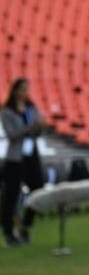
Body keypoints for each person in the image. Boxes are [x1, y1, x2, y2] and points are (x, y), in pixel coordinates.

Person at [1, 78, 46, 246]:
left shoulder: (31, 108)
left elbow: (37, 133)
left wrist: (40, 126)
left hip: (31, 155)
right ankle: (8, 231)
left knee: (38, 190)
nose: (25, 92)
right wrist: (30, 127)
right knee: (11, 196)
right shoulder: (7, 112)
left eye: (27, 89)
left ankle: (25, 225)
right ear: (15, 91)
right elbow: (12, 134)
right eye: (22, 89)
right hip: (15, 158)